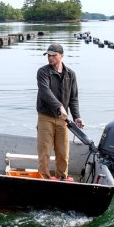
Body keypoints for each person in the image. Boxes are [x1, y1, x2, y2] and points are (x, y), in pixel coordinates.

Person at [36, 43, 85, 179]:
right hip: (46, 117)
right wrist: (59, 106)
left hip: (63, 119)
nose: (50, 58)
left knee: (63, 152)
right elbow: (45, 92)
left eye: (53, 55)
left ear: (61, 56)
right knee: (44, 151)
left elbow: (73, 98)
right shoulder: (43, 72)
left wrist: (76, 116)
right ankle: (44, 178)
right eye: (48, 55)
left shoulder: (71, 74)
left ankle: (62, 178)